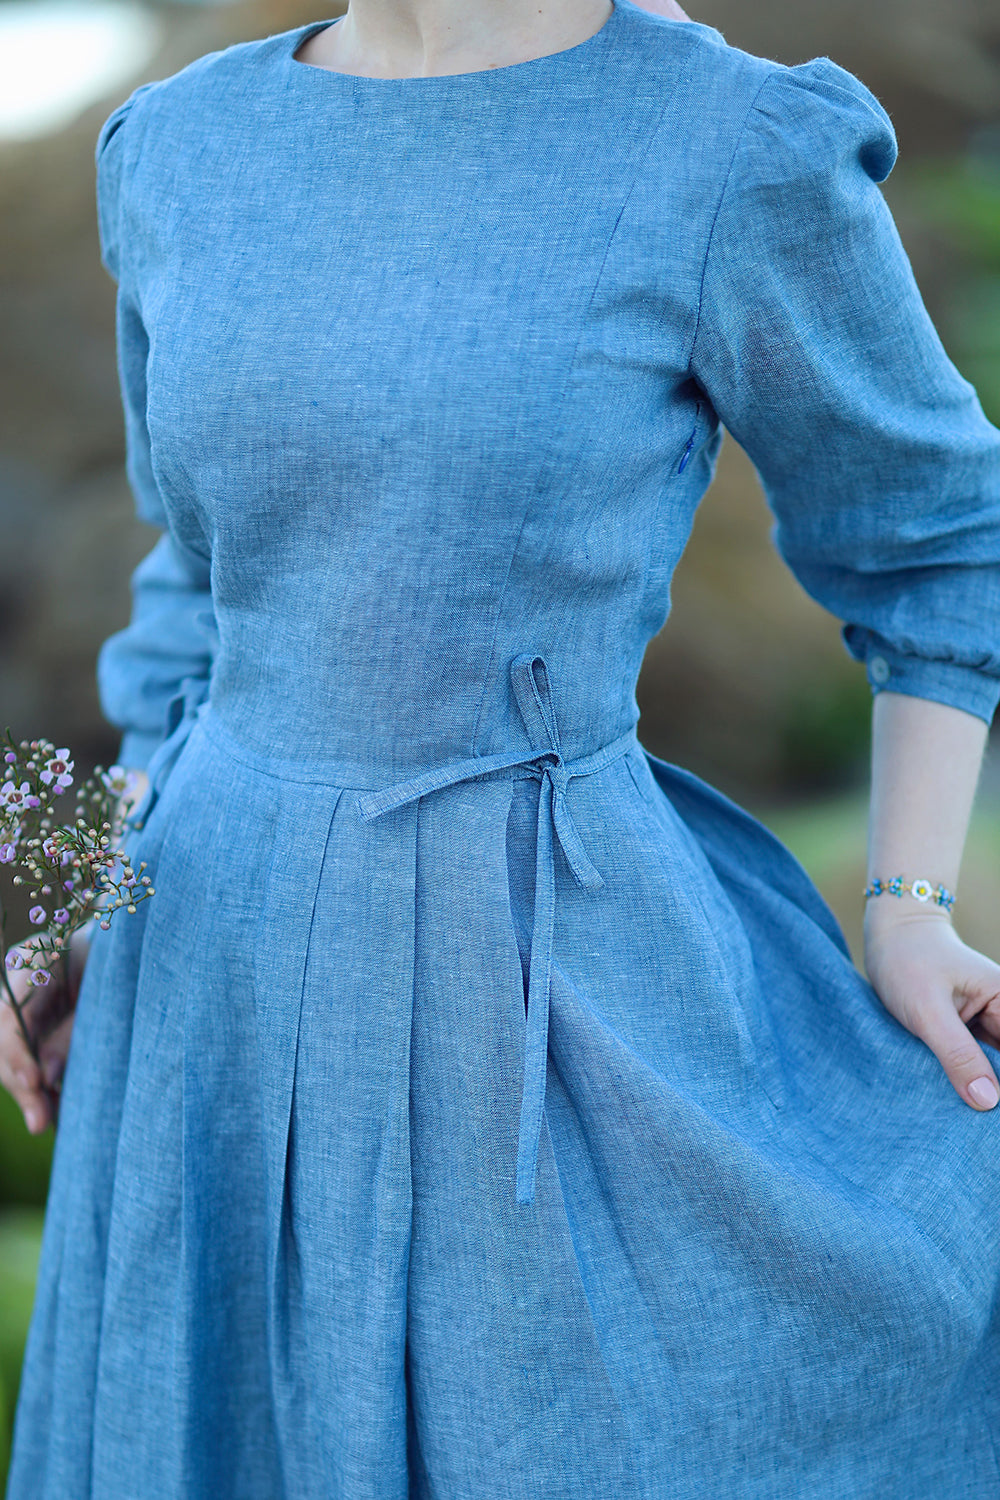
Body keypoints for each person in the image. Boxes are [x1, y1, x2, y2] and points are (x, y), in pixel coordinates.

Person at [5, 0, 1000, 1492]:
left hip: (539, 982)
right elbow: (190, 589)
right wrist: (83, 889)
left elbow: (940, 544)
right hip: (202, 985)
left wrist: (908, 907)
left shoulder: (731, 145)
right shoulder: (178, 141)